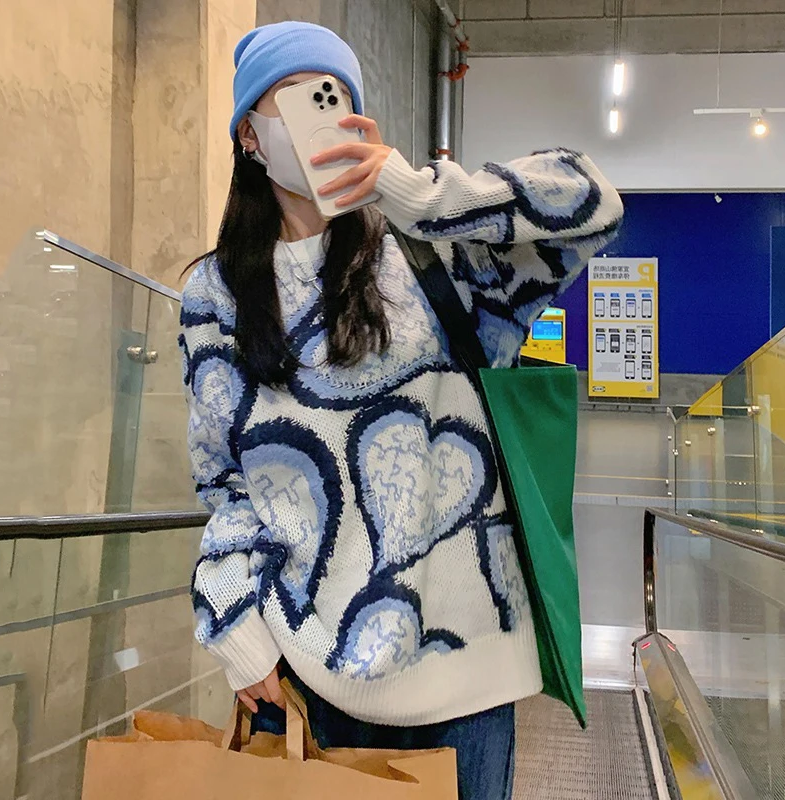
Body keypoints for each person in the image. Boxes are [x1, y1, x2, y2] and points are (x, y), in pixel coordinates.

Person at [180, 20, 623, 800]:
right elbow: (224, 481)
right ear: (250, 135)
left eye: (337, 97)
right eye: (298, 96)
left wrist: (417, 193)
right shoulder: (216, 293)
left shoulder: (436, 256)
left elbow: (592, 201)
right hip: (304, 670)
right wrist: (232, 622)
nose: (322, 113)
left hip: (466, 680)